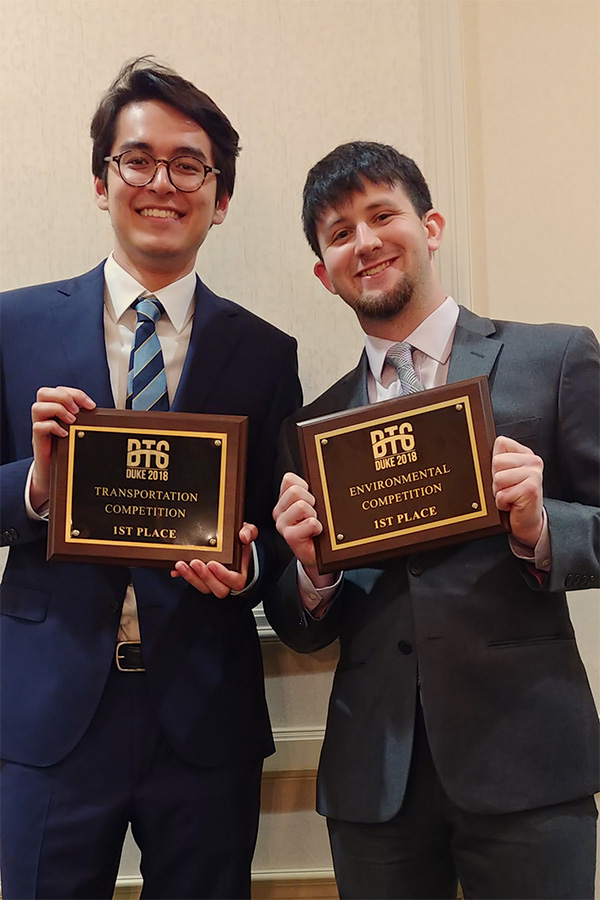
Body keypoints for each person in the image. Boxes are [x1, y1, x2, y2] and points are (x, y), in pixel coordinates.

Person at [264, 141, 600, 900]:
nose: (367, 242)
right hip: (373, 778)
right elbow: (300, 623)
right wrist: (313, 570)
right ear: (325, 272)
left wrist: (540, 525)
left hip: (527, 762)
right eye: (340, 232)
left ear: (432, 226)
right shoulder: (312, 425)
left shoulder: (554, 359)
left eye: (383, 215)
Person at [0, 58, 302, 900]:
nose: (161, 182)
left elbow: (285, 532)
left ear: (221, 195)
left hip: (205, 716)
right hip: (49, 710)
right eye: (138, 160)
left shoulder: (267, 352)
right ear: (103, 180)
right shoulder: (12, 324)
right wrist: (37, 486)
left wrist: (246, 569)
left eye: (189, 164)